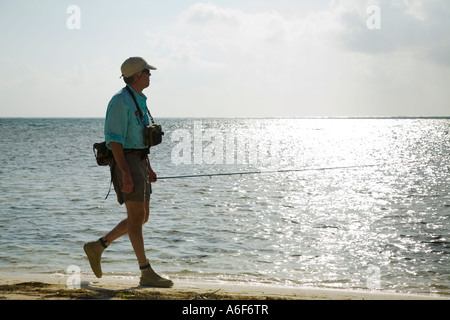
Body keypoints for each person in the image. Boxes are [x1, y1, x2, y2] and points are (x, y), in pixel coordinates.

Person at [84, 57, 173, 288]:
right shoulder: (120, 101)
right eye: (147, 71)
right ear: (137, 75)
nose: (150, 75)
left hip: (140, 161)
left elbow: (140, 137)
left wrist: (149, 167)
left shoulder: (139, 100)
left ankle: (97, 246)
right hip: (127, 162)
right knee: (136, 219)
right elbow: (115, 141)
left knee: (142, 217)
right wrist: (125, 173)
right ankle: (146, 272)